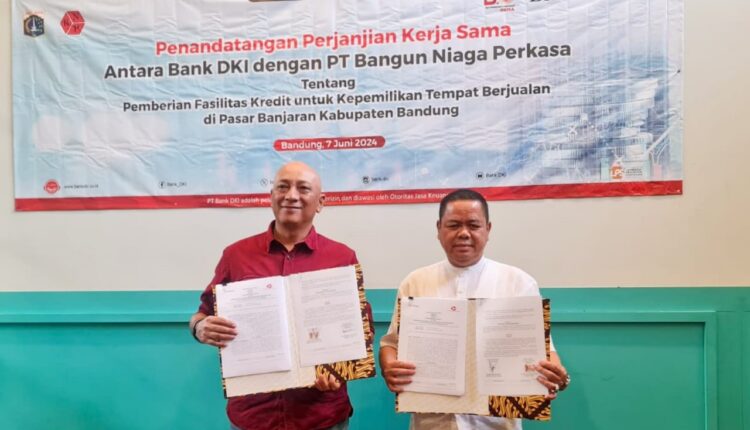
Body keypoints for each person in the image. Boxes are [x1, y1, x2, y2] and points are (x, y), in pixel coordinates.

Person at [190, 161, 369, 430]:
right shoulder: (236, 256)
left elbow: (361, 331)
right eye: (282, 187)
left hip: (321, 415)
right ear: (271, 196)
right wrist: (200, 327)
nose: (291, 195)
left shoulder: (342, 257)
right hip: (254, 416)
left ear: (320, 202)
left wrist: (339, 372)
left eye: (303, 188)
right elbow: (202, 314)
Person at [379, 189, 570, 430]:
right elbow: (391, 344)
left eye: (473, 225)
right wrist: (389, 368)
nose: (463, 233)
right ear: (439, 229)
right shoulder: (415, 282)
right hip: (432, 422)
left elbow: (546, 352)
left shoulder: (518, 282)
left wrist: (556, 377)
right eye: (453, 225)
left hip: (497, 423)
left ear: (488, 229)